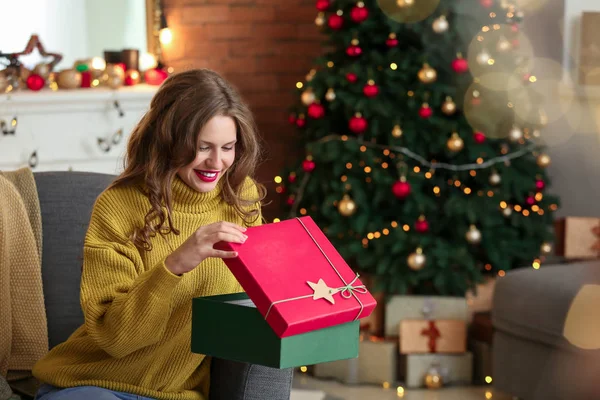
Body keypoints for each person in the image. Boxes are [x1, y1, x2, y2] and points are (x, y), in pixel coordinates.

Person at [33, 69, 268, 400]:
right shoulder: (118, 206)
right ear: (169, 139)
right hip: (91, 384)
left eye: (227, 147)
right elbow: (114, 338)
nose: (217, 161)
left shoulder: (240, 198)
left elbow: (253, 299)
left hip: (175, 392)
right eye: (202, 147)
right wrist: (175, 264)